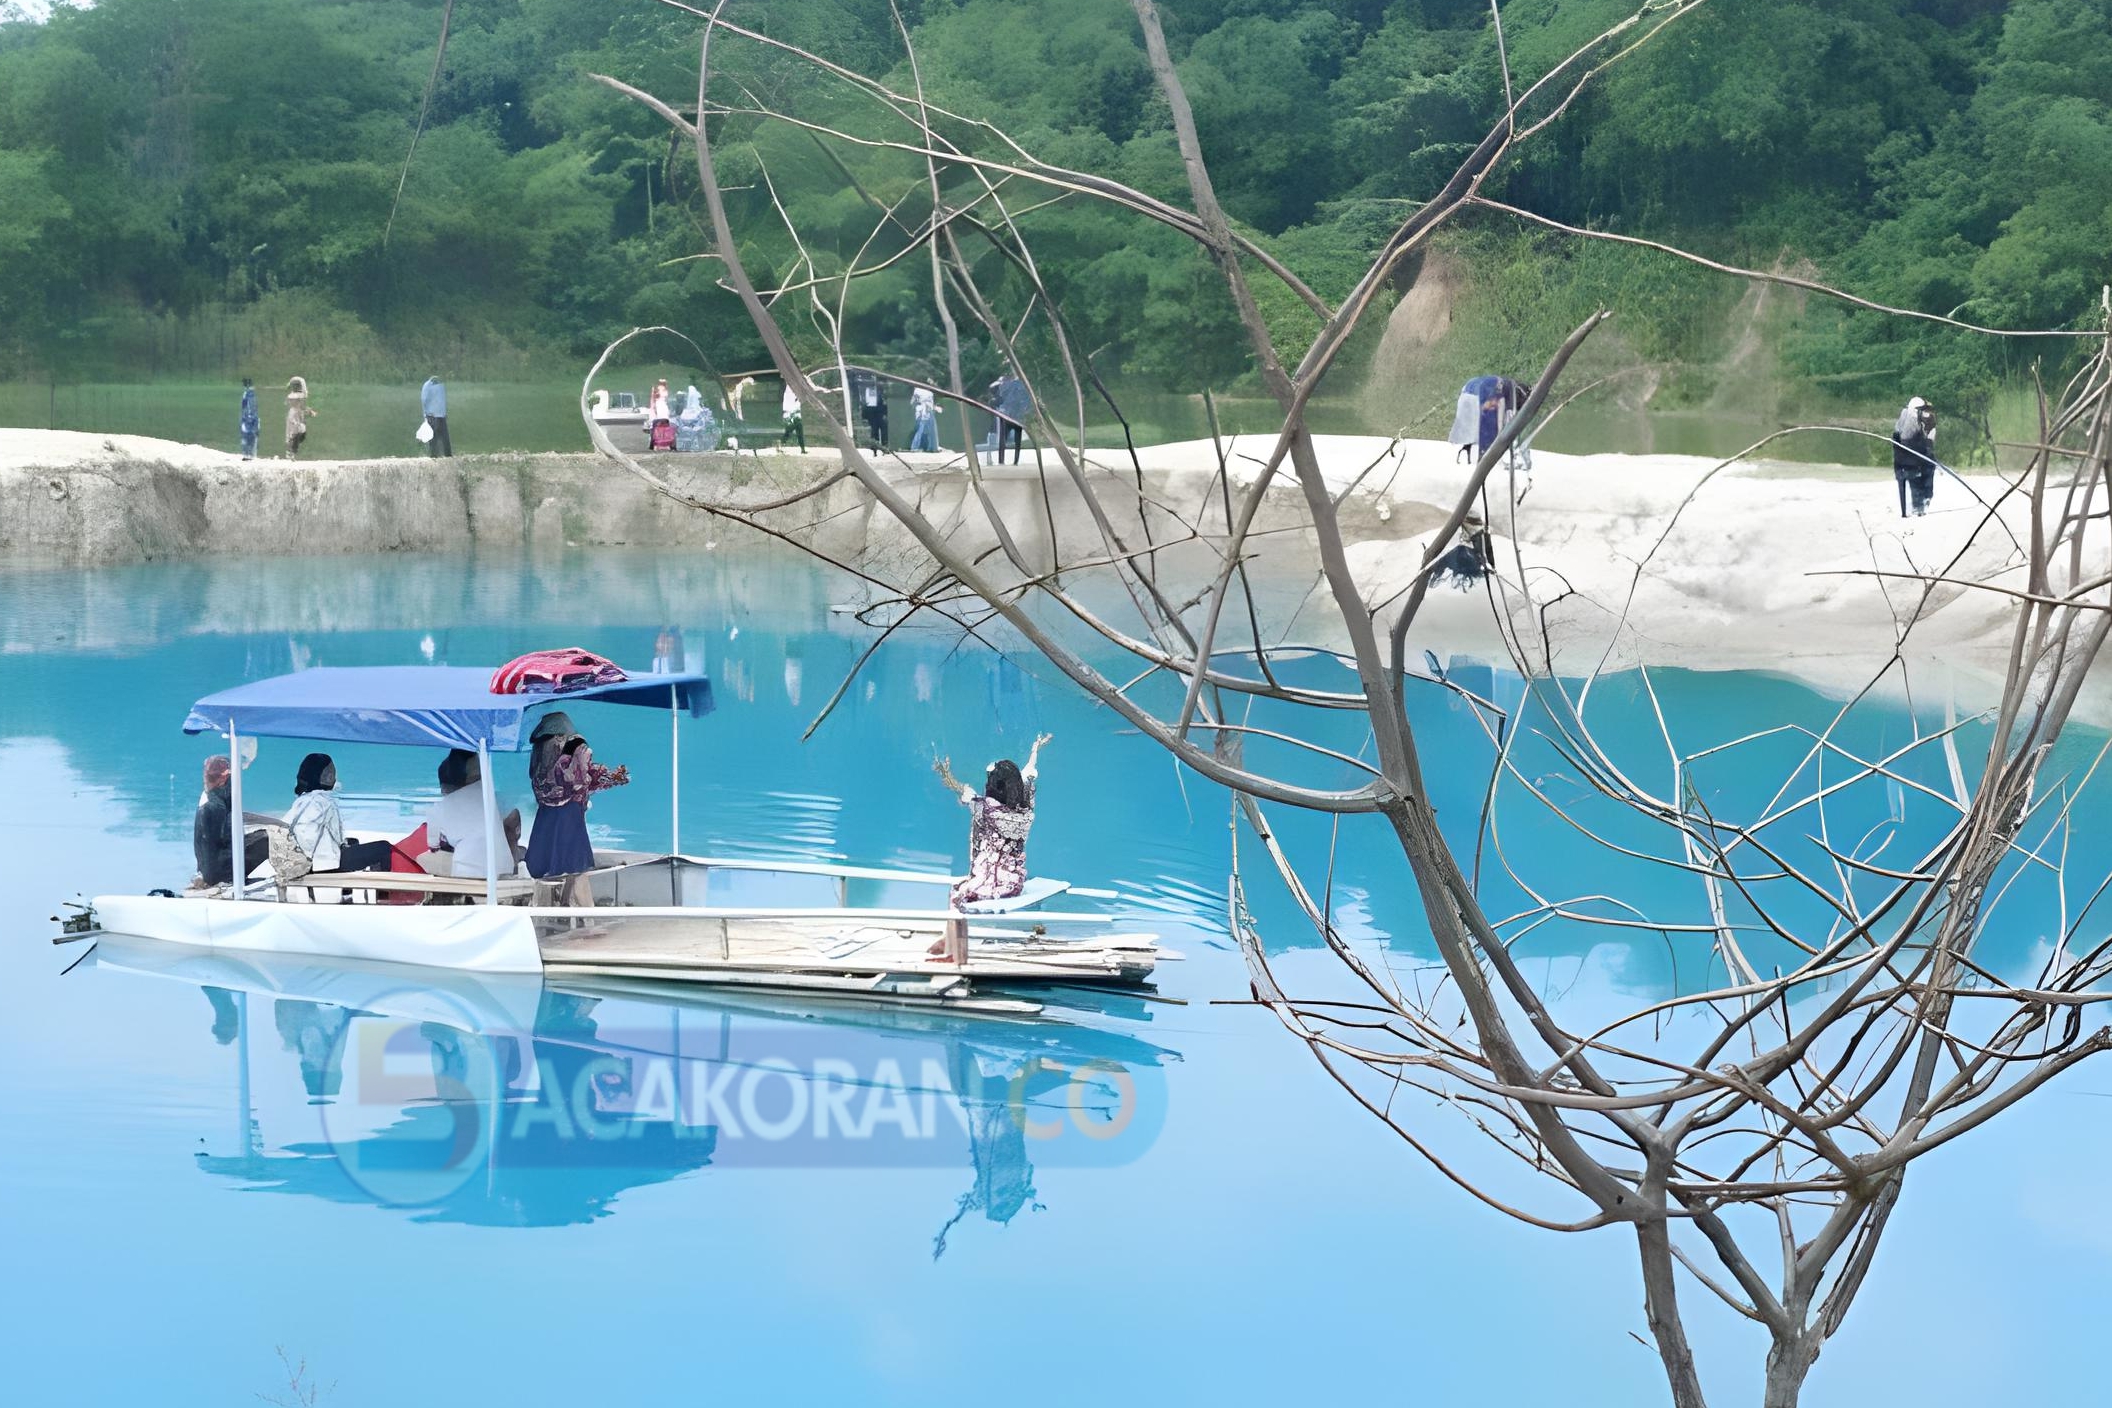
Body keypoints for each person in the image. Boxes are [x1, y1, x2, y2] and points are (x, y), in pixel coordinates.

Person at [936, 734, 1050, 906]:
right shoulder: (1026, 808)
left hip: (990, 887)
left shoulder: (985, 809)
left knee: (957, 896)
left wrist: (944, 773)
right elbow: (1028, 772)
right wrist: (1035, 751)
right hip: (1014, 883)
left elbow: (962, 790)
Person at [526, 728, 630, 906]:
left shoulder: (543, 765)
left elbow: (585, 778)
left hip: (549, 821)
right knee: (577, 870)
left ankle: (566, 907)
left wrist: (609, 777)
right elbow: (582, 780)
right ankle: (589, 920)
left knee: (563, 870)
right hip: (569, 820)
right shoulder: (569, 762)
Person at [284, 753, 395, 893]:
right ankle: (384, 895)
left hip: (318, 862)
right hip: (322, 866)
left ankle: (346, 890)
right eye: (328, 773)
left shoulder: (302, 800)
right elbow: (306, 835)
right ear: (319, 776)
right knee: (383, 848)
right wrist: (305, 865)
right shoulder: (320, 801)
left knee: (353, 842)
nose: (333, 777)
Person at [426, 748, 522, 879]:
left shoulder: (439, 808)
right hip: (502, 865)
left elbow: (433, 846)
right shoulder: (494, 799)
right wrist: (512, 843)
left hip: (466, 868)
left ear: (444, 787)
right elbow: (514, 817)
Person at [193, 754, 267, 888]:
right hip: (219, 872)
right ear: (224, 780)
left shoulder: (211, 801)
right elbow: (211, 849)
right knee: (268, 839)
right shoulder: (214, 807)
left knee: (264, 835)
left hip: (212, 868)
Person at [1892, 396, 1938, 518]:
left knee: (1929, 465)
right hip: (1911, 462)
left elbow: (1927, 443)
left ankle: (1922, 501)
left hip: (1908, 461)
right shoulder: (1911, 418)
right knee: (1925, 469)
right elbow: (1907, 439)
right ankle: (1921, 503)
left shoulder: (1923, 420)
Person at [996, 373, 1031, 464]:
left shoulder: (1007, 385)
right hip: (1013, 416)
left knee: (1005, 440)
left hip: (1011, 416)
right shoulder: (1020, 385)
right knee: (1013, 440)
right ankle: (1012, 461)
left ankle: (1004, 461)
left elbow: (1001, 397)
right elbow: (1027, 400)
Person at [674, 384, 717, 452]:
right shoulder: (685, 409)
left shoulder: (698, 410)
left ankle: (698, 446)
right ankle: (693, 446)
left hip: (694, 428)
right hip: (689, 427)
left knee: (697, 433)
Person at [421, 375, 452, 458]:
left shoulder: (440, 386)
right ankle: (434, 455)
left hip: (441, 415)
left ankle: (447, 455)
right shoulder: (428, 386)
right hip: (432, 415)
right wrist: (426, 414)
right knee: (434, 437)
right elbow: (424, 400)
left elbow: (442, 401)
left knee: (445, 437)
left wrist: (444, 413)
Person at [285, 376, 316, 458]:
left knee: (296, 433)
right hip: (296, 416)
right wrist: (310, 412)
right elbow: (302, 406)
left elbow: (293, 405)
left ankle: (291, 450)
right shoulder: (299, 396)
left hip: (293, 415)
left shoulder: (291, 396)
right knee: (298, 434)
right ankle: (292, 452)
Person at [860, 377, 890, 450]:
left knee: (884, 428)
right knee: (874, 429)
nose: (882, 384)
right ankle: (875, 445)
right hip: (873, 412)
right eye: (881, 382)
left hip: (880, 411)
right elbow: (870, 403)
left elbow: (884, 402)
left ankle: (884, 445)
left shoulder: (884, 390)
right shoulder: (871, 389)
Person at [909, 383, 939, 453]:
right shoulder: (922, 391)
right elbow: (913, 401)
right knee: (922, 429)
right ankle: (916, 447)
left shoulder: (927, 391)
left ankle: (931, 447)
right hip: (923, 411)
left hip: (926, 411)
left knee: (928, 430)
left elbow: (912, 402)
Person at [238, 378, 260, 460]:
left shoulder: (247, 395)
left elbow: (244, 406)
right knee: (250, 435)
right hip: (250, 417)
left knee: (248, 435)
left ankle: (248, 454)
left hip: (249, 417)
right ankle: (250, 454)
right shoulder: (250, 395)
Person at [780, 382, 806, 452]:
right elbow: (787, 406)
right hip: (790, 415)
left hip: (796, 415)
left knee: (799, 432)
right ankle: (781, 445)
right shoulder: (788, 394)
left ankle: (802, 449)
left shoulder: (795, 393)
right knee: (788, 432)